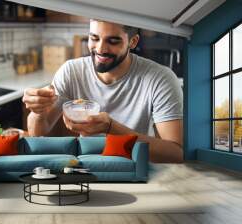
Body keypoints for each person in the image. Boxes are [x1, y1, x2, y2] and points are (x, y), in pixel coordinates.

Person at [22, 19, 183, 163]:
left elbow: (175, 153)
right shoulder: (71, 71)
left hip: (134, 169)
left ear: (132, 42)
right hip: (82, 168)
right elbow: (38, 134)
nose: (100, 49)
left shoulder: (160, 78)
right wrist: (38, 111)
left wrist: (111, 128)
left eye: (113, 41)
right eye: (94, 38)